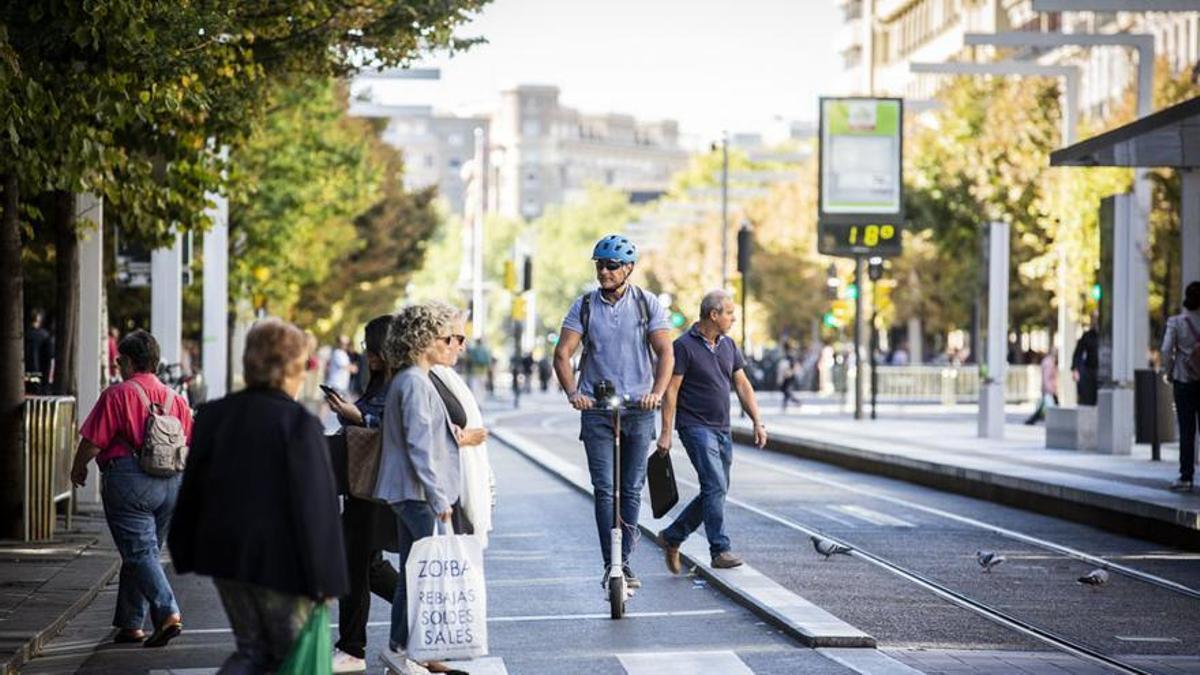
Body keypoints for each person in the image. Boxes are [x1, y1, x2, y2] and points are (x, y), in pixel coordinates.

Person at [169, 319, 348, 672]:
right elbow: (315, 507)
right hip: (282, 564)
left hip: (225, 557)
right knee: (289, 654)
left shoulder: (214, 415)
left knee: (251, 648)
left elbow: (193, 488)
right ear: (294, 366)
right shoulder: (298, 423)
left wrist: (184, 547)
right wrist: (327, 578)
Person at [552, 234, 673, 589]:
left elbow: (666, 353)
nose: (604, 271)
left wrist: (656, 393)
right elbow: (563, 354)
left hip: (638, 409)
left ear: (628, 269)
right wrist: (574, 393)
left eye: (611, 266)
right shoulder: (584, 306)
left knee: (632, 489)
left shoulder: (647, 305)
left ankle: (627, 561)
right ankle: (611, 563)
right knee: (605, 489)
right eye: (599, 265)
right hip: (597, 410)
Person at [70, 329, 191, 648]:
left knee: (139, 552)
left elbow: (94, 441)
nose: (117, 364)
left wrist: (78, 466)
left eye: (119, 359)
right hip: (170, 485)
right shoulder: (175, 399)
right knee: (143, 553)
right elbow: (188, 442)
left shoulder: (117, 394)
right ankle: (131, 623)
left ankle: (168, 614)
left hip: (129, 481)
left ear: (128, 361)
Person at [374, 303, 463, 675]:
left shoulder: (412, 379)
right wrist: (439, 497)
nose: (452, 345)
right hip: (416, 493)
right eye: (446, 338)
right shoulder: (413, 382)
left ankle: (404, 646)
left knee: (415, 571)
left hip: (410, 491)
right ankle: (418, 650)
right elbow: (419, 445)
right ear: (423, 340)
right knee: (429, 573)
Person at [657, 291, 767, 572]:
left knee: (715, 489)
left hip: (722, 427)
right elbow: (671, 391)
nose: (733, 318)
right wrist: (666, 433)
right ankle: (720, 550)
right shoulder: (683, 346)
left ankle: (672, 536)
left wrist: (757, 421)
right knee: (715, 486)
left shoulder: (729, 345)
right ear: (713, 315)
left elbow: (742, 385)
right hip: (694, 426)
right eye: (729, 313)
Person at [324, 315, 402, 673]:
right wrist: (348, 413)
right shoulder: (381, 383)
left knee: (353, 564)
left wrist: (357, 416)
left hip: (374, 489)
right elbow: (368, 421)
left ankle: (352, 648)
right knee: (366, 566)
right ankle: (424, 608)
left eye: (372, 349)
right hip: (364, 486)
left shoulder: (400, 384)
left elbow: (388, 429)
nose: (367, 356)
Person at [426, 306, 493, 545]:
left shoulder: (445, 376)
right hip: (439, 491)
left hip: (451, 487)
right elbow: (418, 435)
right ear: (437, 338)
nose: (462, 346)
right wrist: (464, 438)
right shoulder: (424, 378)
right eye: (459, 338)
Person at [1161, 281, 1200, 492]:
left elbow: (1166, 350)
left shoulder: (1176, 322)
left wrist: (1168, 372)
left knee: (1187, 431)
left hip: (1184, 381)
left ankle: (1186, 477)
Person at [1025, 349, 1059, 425]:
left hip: (1049, 388)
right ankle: (1054, 421)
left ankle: (1032, 420)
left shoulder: (1049, 362)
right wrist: (1050, 389)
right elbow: (1047, 377)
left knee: (1044, 406)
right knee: (1052, 407)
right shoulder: (1049, 363)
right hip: (1049, 388)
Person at [24, 309, 53, 394]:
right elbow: (49, 358)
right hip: (40, 375)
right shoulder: (45, 336)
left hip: (26, 374)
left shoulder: (24, 335)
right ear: (39, 320)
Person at [1072, 321, 1100, 406]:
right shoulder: (1087, 336)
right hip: (1089, 373)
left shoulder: (1107, 336)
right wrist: (1075, 369)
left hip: (1102, 373)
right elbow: (1078, 353)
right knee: (1087, 399)